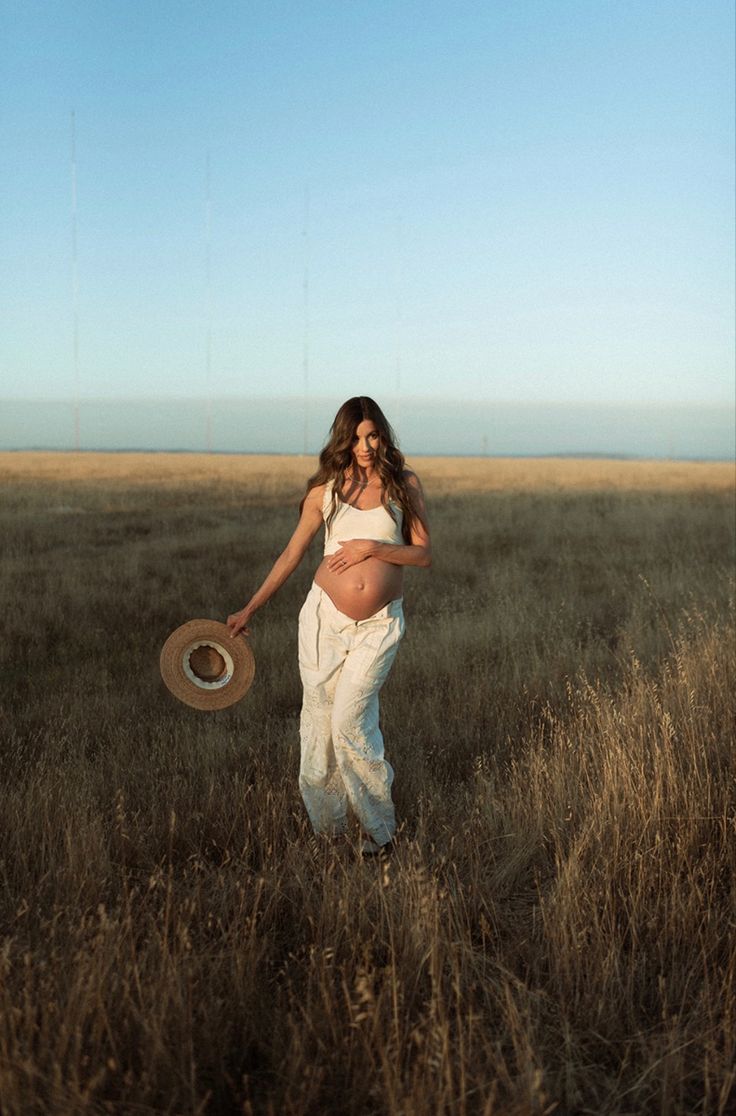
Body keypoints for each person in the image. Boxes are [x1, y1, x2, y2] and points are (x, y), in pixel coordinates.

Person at [227, 396, 431, 857]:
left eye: (373, 434)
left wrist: (372, 549)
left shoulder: (404, 484)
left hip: (378, 625)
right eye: (356, 437)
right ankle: (331, 833)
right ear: (343, 439)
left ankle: (379, 835)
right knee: (319, 724)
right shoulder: (327, 491)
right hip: (323, 620)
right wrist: (250, 608)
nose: (365, 446)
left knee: (350, 720)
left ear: (383, 433)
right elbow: (292, 553)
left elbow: (423, 553)